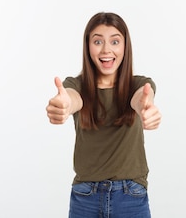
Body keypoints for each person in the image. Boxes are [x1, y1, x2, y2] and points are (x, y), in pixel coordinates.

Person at [46, 12, 161, 218]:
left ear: (125, 47)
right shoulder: (76, 85)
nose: (106, 49)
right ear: (87, 46)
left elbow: (141, 98)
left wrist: (146, 106)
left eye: (115, 41)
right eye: (98, 41)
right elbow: (72, 99)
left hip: (130, 196)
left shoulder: (138, 85)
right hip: (85, 197)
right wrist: (63, 105)